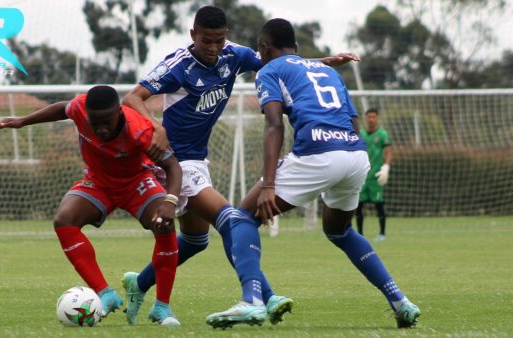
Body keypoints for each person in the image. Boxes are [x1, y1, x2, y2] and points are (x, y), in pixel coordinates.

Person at [122, 5, 359, 326]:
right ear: (193, 35)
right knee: (231, 219)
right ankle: (264, 294)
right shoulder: (178, 64)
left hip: (197, 158)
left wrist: (325, 62)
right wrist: (156, 127)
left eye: (220, 40)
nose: (214, 47)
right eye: (207, 40)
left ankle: (138, 285)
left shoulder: (234, 56)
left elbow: (281, 63)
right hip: (175, 161)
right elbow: (132, 98)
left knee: (195, 240)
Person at [206, 18, 420, 329]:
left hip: (318, 154)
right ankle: (400, 301)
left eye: (260, 49)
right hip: (355, 155)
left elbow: (274, 125)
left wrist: (269, 184)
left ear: (264, 48)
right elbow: (352, 119)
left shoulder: (269, 70)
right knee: (340, 230)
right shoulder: (328, 70)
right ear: (295, 46)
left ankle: (252, 300)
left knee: (241, 217)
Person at [0, 85, 183, 326]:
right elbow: (62, 109)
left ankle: (162, 307)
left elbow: (173, 166)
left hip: (136, 183)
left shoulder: (139, 130)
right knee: (64, 220)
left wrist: (169, 201)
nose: (100, 128)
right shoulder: (80, 107)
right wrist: (22, 121)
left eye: (107, 121)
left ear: (119, 114)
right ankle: (105, 294)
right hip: (98, 182)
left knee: (164, 225)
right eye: (95, 121)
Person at [356, 108, 392, 242]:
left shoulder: (382, 134)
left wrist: (386, 167)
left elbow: (388, 152)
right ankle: (360, 235)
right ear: (365, 118)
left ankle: (382, 234)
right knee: (358, 206)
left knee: (379, 205)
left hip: (376, 176)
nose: (371, 119)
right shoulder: (361, 134)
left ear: (377, 118)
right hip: (362, 176)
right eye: (369, 117)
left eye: (373, 117)